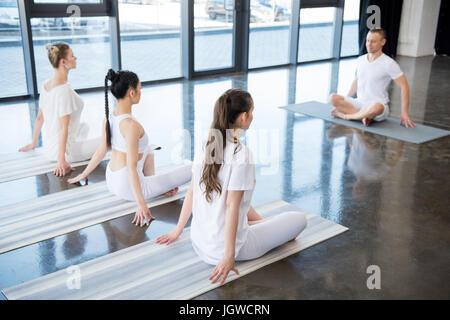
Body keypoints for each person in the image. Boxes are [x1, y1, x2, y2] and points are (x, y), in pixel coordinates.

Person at [156, 89, 307, 285]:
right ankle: (265, 228)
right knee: (298, 220)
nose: (252, 116)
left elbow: (192, 192)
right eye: (252, 111)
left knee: (241, 201)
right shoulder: (242, 154)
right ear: (244, 117)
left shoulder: (205, 145)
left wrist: (178, 230)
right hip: (229, 249)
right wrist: (229, 256)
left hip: (199, 241)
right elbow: (231, 206)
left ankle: (262, 225)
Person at [68, 69, 192, 227]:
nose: (141, 92)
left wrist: (83, 174)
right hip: (127, 186)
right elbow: (131, 168)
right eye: (140, 89)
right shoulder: (131, 126)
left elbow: (101, 151)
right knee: (193, 169)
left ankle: (154, 185)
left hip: (112, 180)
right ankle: (152, 187)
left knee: (149, 148)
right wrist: (141, 204)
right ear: (132, 93)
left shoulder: (110, 117)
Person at [19, 42, 100, 177]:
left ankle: (81, 149)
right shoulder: (64, 91)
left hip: (48, 148)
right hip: (64, 153)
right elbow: (64, 128)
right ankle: (76, 154)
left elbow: (40, 117)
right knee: (109, 139)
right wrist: (61, 159)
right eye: (72, 56)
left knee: (84, 127)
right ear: (63, 62)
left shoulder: (46, 84)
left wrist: (34, 143)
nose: (76, 58)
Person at [328, 28, 416, 128]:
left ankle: (348, 116)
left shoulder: (389, 63)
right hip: (359, 102)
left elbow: (404, 86)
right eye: (368, 40)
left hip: (378, 106)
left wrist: (404, 113)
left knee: (375, 107)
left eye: (373, 41)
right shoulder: (361, 60)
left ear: (383, 42)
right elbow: (357, 80)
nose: (369, 44)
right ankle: (363, 117)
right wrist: (346, 100)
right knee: (332, 98)